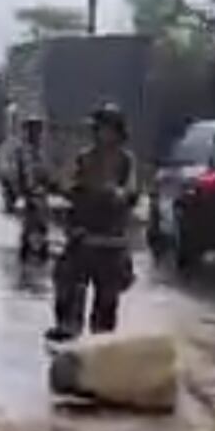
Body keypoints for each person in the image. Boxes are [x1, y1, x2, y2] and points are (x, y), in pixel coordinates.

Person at [46, 104, 138, 341]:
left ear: (117, 132)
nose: (101, 134)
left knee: (107, 301)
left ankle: (101, 342)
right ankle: (68, 331)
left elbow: (131, 193)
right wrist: (65, 189)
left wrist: (117, 194)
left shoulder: (126, 161)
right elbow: (67, 186)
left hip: (111, 241)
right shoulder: (84, 158)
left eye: (106, 129)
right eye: (98, 129)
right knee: (67, 286)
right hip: (83, 235)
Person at [14, 116, 51, 261]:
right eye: (32, 130)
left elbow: (45, 171)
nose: (36, 134)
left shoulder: (42, 151)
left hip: (40, 192)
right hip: (29, 192)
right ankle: (28, 250)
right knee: (30, 223)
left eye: (37, 130)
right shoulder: (23, 151)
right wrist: (24, 190)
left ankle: (40, 249)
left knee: (40, 223)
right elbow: (21, 172)